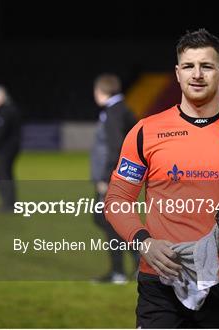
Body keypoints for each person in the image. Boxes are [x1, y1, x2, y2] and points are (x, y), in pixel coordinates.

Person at [104, 29, 219, 328]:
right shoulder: (144, 132)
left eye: (206, 66)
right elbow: (116, 200)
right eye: (189, 66)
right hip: (160, 279)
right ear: (177, 73)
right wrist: (144, 242)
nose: (197, 74)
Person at [90, 73, 139, 284]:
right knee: (107, 220)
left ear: (101, 91)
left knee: (108, 221)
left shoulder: (113, 112)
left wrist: (105, 177)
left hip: (112, 178)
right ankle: (139, 261)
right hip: (122, 176)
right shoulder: (121, 109)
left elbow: (115, 147)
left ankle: (119, 271)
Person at [0, 85, 22, 212]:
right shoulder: (6, 110)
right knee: (0, 172)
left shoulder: (6, 111)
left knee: (3, 173)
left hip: (7, 149)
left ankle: (9, 204)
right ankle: (9, 202)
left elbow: (1, 132)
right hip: (8, 148)